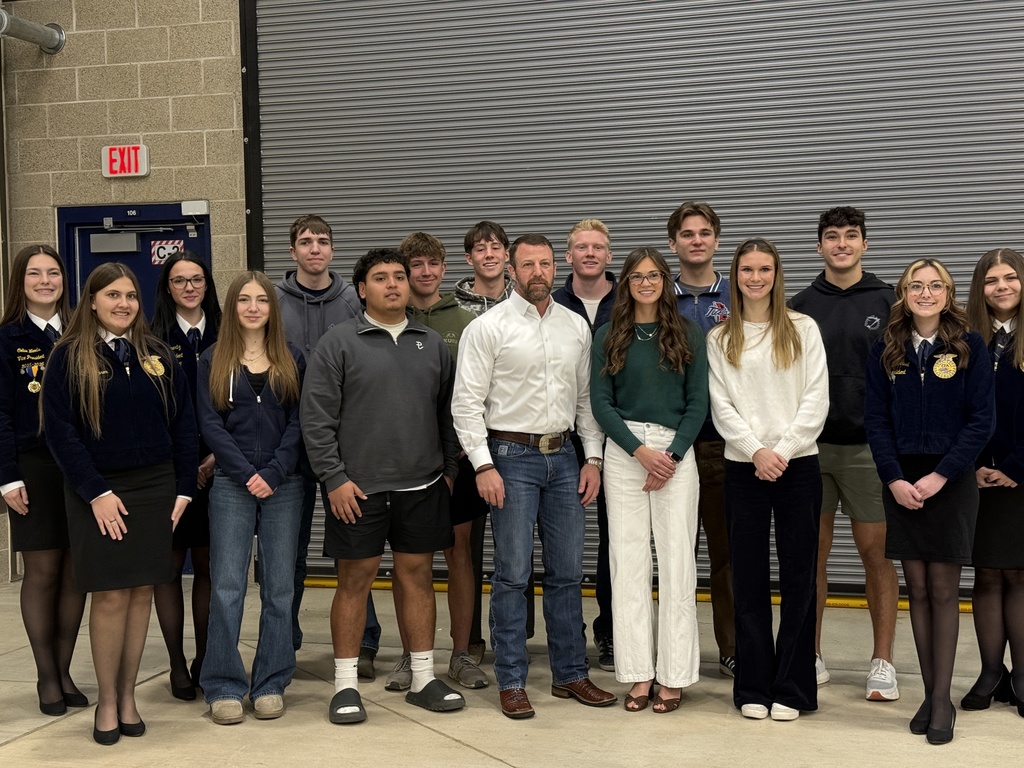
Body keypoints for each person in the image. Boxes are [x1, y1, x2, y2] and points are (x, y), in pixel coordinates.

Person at [452, 233, 616, 719]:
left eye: (545, 264)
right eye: (528, 265)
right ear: (511, 269)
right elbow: (466, 405)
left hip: (566, 457)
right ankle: (512, 679)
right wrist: (483, 464)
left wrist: (593, 458)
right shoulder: (488, 327)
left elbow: (586, 401)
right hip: (509, 457)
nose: (537, 273)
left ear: (554, 266)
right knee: (512, 575)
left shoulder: (574, 327)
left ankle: (570, 674)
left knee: (567, 574)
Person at [302, 248, 465, 725]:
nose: (393, 284)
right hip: (359, 490)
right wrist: (334, 478)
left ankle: (422, 679)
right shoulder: (338, 343)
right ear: (361, 289)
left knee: (417, 577)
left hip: (423, 484)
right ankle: (346, 686)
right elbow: (316, 421)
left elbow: (446, 414)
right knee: (355, 580)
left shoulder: (430, 342)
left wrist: (449, 470)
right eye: (380, 277)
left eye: (399, 276)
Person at [41, 262, 198, 745]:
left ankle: (128, 696)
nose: (123, 303)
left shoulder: (155, 354)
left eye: (130, 295)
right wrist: (96, 493)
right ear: (91, 301)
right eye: (112, 295)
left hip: (155, 488)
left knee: (143, 593)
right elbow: (62, 435)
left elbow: (184, 425)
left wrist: (183, 488)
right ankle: (106, 702)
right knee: (110, 596)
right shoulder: (69, 356)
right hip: (98, 490)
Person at [864, 259, 994, 744]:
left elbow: (982, 420)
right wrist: (895, 478)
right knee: (916, 590)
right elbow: (874, 420)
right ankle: (929, 691)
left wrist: (941, 475)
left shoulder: (969, 346)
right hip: (901, 482)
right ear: (903, 293)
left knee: (942, 590)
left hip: (950, 480)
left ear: (948, 293)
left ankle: (942, 701)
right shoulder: (886, 348)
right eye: (915, 286)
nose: (925, 293)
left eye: (934, 285)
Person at [706, 238, 828, 722]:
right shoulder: (720, 337)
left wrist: (782, 450)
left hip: (798, 464)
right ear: (735, 276)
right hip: (743, 465)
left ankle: (793, 688)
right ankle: (753, 684)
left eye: (765, 270)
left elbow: (816, 397)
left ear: (777, 275)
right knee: (749, 576)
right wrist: (756, 450)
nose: (756, 278)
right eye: (747, 270)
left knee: (800, 576)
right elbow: (721, 405)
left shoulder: (803, 329)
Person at [789, 207, 900, 698]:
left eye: (850, 236)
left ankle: (882, 662)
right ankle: (810, 656)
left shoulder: (890, 301)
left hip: (868, 452)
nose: (841, 244)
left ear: (864, 244)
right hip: (809, 450)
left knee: (876, 554)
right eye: (831, 237)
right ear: (818, 247)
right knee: (812, 555)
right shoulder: (797, 305)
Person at [591, 246, 707, 713]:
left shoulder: (689, 333)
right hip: (624, 452)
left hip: (676, 450)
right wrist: (638, 451)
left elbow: (699, 401)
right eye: (636, 276)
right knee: (628, 564)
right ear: (626, 284)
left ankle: (674, 676)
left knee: (678, 562)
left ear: (665, 280)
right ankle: (638, 674)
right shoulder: (607, 336)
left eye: (653, 275)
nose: (645, 283)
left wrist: (671, 455)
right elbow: (601, 403)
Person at [198, 271, 305, 725]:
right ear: (233, 306)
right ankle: (223, 685)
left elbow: (302, 423)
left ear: (272, 308)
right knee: (226, 587)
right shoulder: (211, 360)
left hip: (285, 486)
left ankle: (271, 682)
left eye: (262, 300)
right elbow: (209, 425)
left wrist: (275, 471)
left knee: (280, 588)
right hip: (231, 486)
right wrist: (246, 474)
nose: (254, 307)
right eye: (244, 300)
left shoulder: (292, 357)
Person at [274, 214, 378, 676]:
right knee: (288, 550)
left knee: (355, 549)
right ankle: (284, 641)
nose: (314, 249)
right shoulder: (273, 301)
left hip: (347, 445)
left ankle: (366, 642)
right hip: (289, 444)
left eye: (322, 241)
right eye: (305, 242)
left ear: (333, 250)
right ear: (293, 251)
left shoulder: (354, 300)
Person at [389, 231, 489, 692]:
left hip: (462, 455)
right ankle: (413, 656)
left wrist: (468, 452)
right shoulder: (389, 316)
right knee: (412, 560)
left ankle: (462, 653)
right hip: (407, 457)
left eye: (433, 264)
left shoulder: (468, 320)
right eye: (416, 265)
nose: (425, 273)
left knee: (461, 554)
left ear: (445, 269)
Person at [0, 245, 87, 717]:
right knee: (44, 572)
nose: (45, 280)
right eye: (35, 273)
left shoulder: (80, 334)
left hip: (80, 468)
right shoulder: (6, 339)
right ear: (21, 281)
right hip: (32, 468)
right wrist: (7, 477)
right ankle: (46, 675)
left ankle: (66, 667)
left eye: (53, 272)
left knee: (77, 572)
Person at [667, 201, 736, 677]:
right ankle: (676, 653)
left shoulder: (740, 294)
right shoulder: (654, 295)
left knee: (728, 555)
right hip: (671, 444)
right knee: (674, 557)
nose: (696, 240)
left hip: (725, 443)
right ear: (673, 244)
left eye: (704, 233)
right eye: (687, 234)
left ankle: (733, 649)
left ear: (716, 239)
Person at [151, 250, 222, 701]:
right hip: (169, 469)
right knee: (170, 566)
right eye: (180, 281)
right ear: (168, 288)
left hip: (220, 465)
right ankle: (176, 662)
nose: (190, 287)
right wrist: (182, 465)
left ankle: (206, 658)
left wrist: (214, 456)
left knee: (211, 565)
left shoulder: (226, 333)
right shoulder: (151, 337)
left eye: (197, 279)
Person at [552, 218, 617, 671]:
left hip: (625, 438)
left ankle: (613, 632)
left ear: (609, 255)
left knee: (618, 541)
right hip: (564, 438)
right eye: (581, 247)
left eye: (598, 247)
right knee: (564, 546)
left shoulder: (632, 299)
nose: (590, 253)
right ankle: (566, 635)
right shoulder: (551, 304)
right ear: (568, 256)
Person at [963, 248, 1024, 717]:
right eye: (991, 280)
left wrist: (1015, 466)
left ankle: (1021, 674)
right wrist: (976, 464)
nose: (1001, 286)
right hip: (979, 478)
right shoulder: (966, 341)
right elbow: (960, 411)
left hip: (1021, 478)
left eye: (1010, 277)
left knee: (1018, 575)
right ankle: (990, 671)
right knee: (985, 574)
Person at [454, 220, 515, 314]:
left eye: (495, 248)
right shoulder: (454, 306)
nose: (489, 255)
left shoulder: (522, 299)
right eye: (480, 249)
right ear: (469, 258)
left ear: (507, 255)